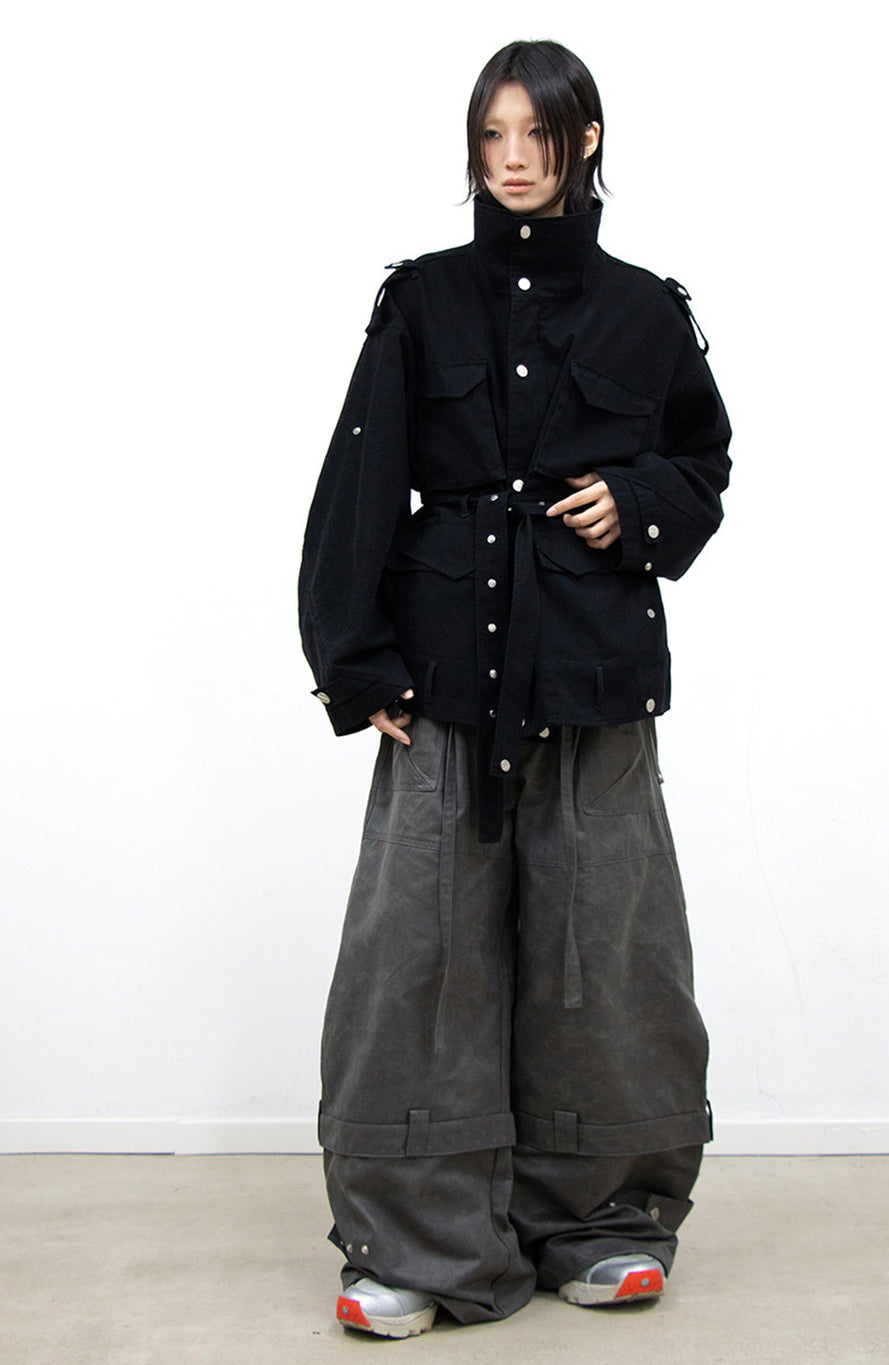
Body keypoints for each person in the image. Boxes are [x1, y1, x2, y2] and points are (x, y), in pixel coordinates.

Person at [298, 39, 732, 1338]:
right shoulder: (422, 300)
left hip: (594, 668)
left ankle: (601, 1218)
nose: (512, 158)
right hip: (442, 671)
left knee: (604, 949)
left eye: (535, 132)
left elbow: (704, 462)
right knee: (420, 952)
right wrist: (355, 658)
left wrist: (638, 500)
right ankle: (417, 1240)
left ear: (583, 138)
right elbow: (360, 475)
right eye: (491, 135)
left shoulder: (647, 311)